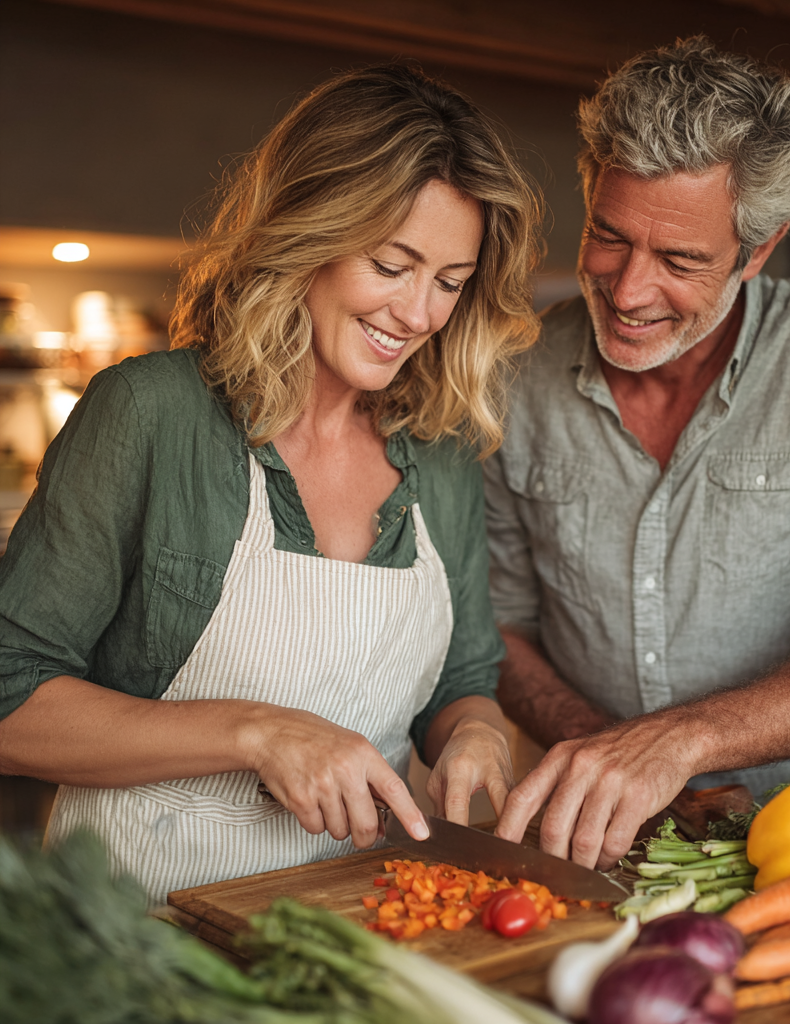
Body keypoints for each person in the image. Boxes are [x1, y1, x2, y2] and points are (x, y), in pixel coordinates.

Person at [0, 65, 540, 905]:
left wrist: (477, 737)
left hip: (356, 919)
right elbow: (10, 696)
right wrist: (257, 732)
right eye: (392, 264)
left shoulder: (439, 449)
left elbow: (463, 681)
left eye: (449, 281)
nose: (420, 314)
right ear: (308, 231)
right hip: (138, 925)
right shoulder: (153, 414)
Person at [488, 37, 790, 870]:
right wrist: (611, 757)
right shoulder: (515, 371)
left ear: (758, 252)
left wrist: (679, 742)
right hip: (589, 839)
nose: (628, 292)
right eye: (610, 236)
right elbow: (500, 623)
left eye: (680, 260)